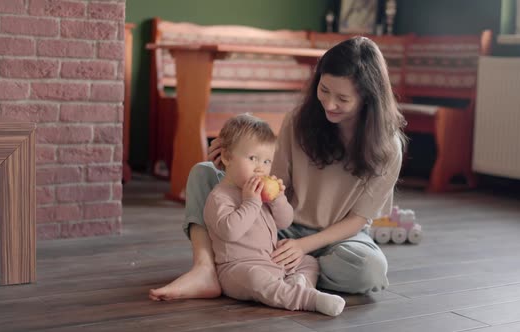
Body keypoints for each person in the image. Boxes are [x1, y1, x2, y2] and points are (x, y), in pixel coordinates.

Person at [149, 36, 405, 301]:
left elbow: (358, 220)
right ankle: (206, 269)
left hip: (338, 240)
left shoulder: (388, 148)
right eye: (324, 90)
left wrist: (302, 247)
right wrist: (233, 169)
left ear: (368, 99)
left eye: (342, 98)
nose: (329, 104)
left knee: (369, 270)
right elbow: (271, 184)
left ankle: (267, 269)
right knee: (203, 173)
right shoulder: (299, 121)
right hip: (281, 226)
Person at [197, 114, 345, 316]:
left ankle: (297, 284)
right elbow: (230, 231)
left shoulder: (262, 194)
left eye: (267, 161)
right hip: (238, 269)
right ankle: (308, 298)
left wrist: (278, 200)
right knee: (256, 279)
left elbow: (284, 222)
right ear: (227, 157)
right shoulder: (219, 197)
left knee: (308, 261)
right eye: (252, 158)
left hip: (270, 262)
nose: (260, 168)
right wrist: (251, 202)